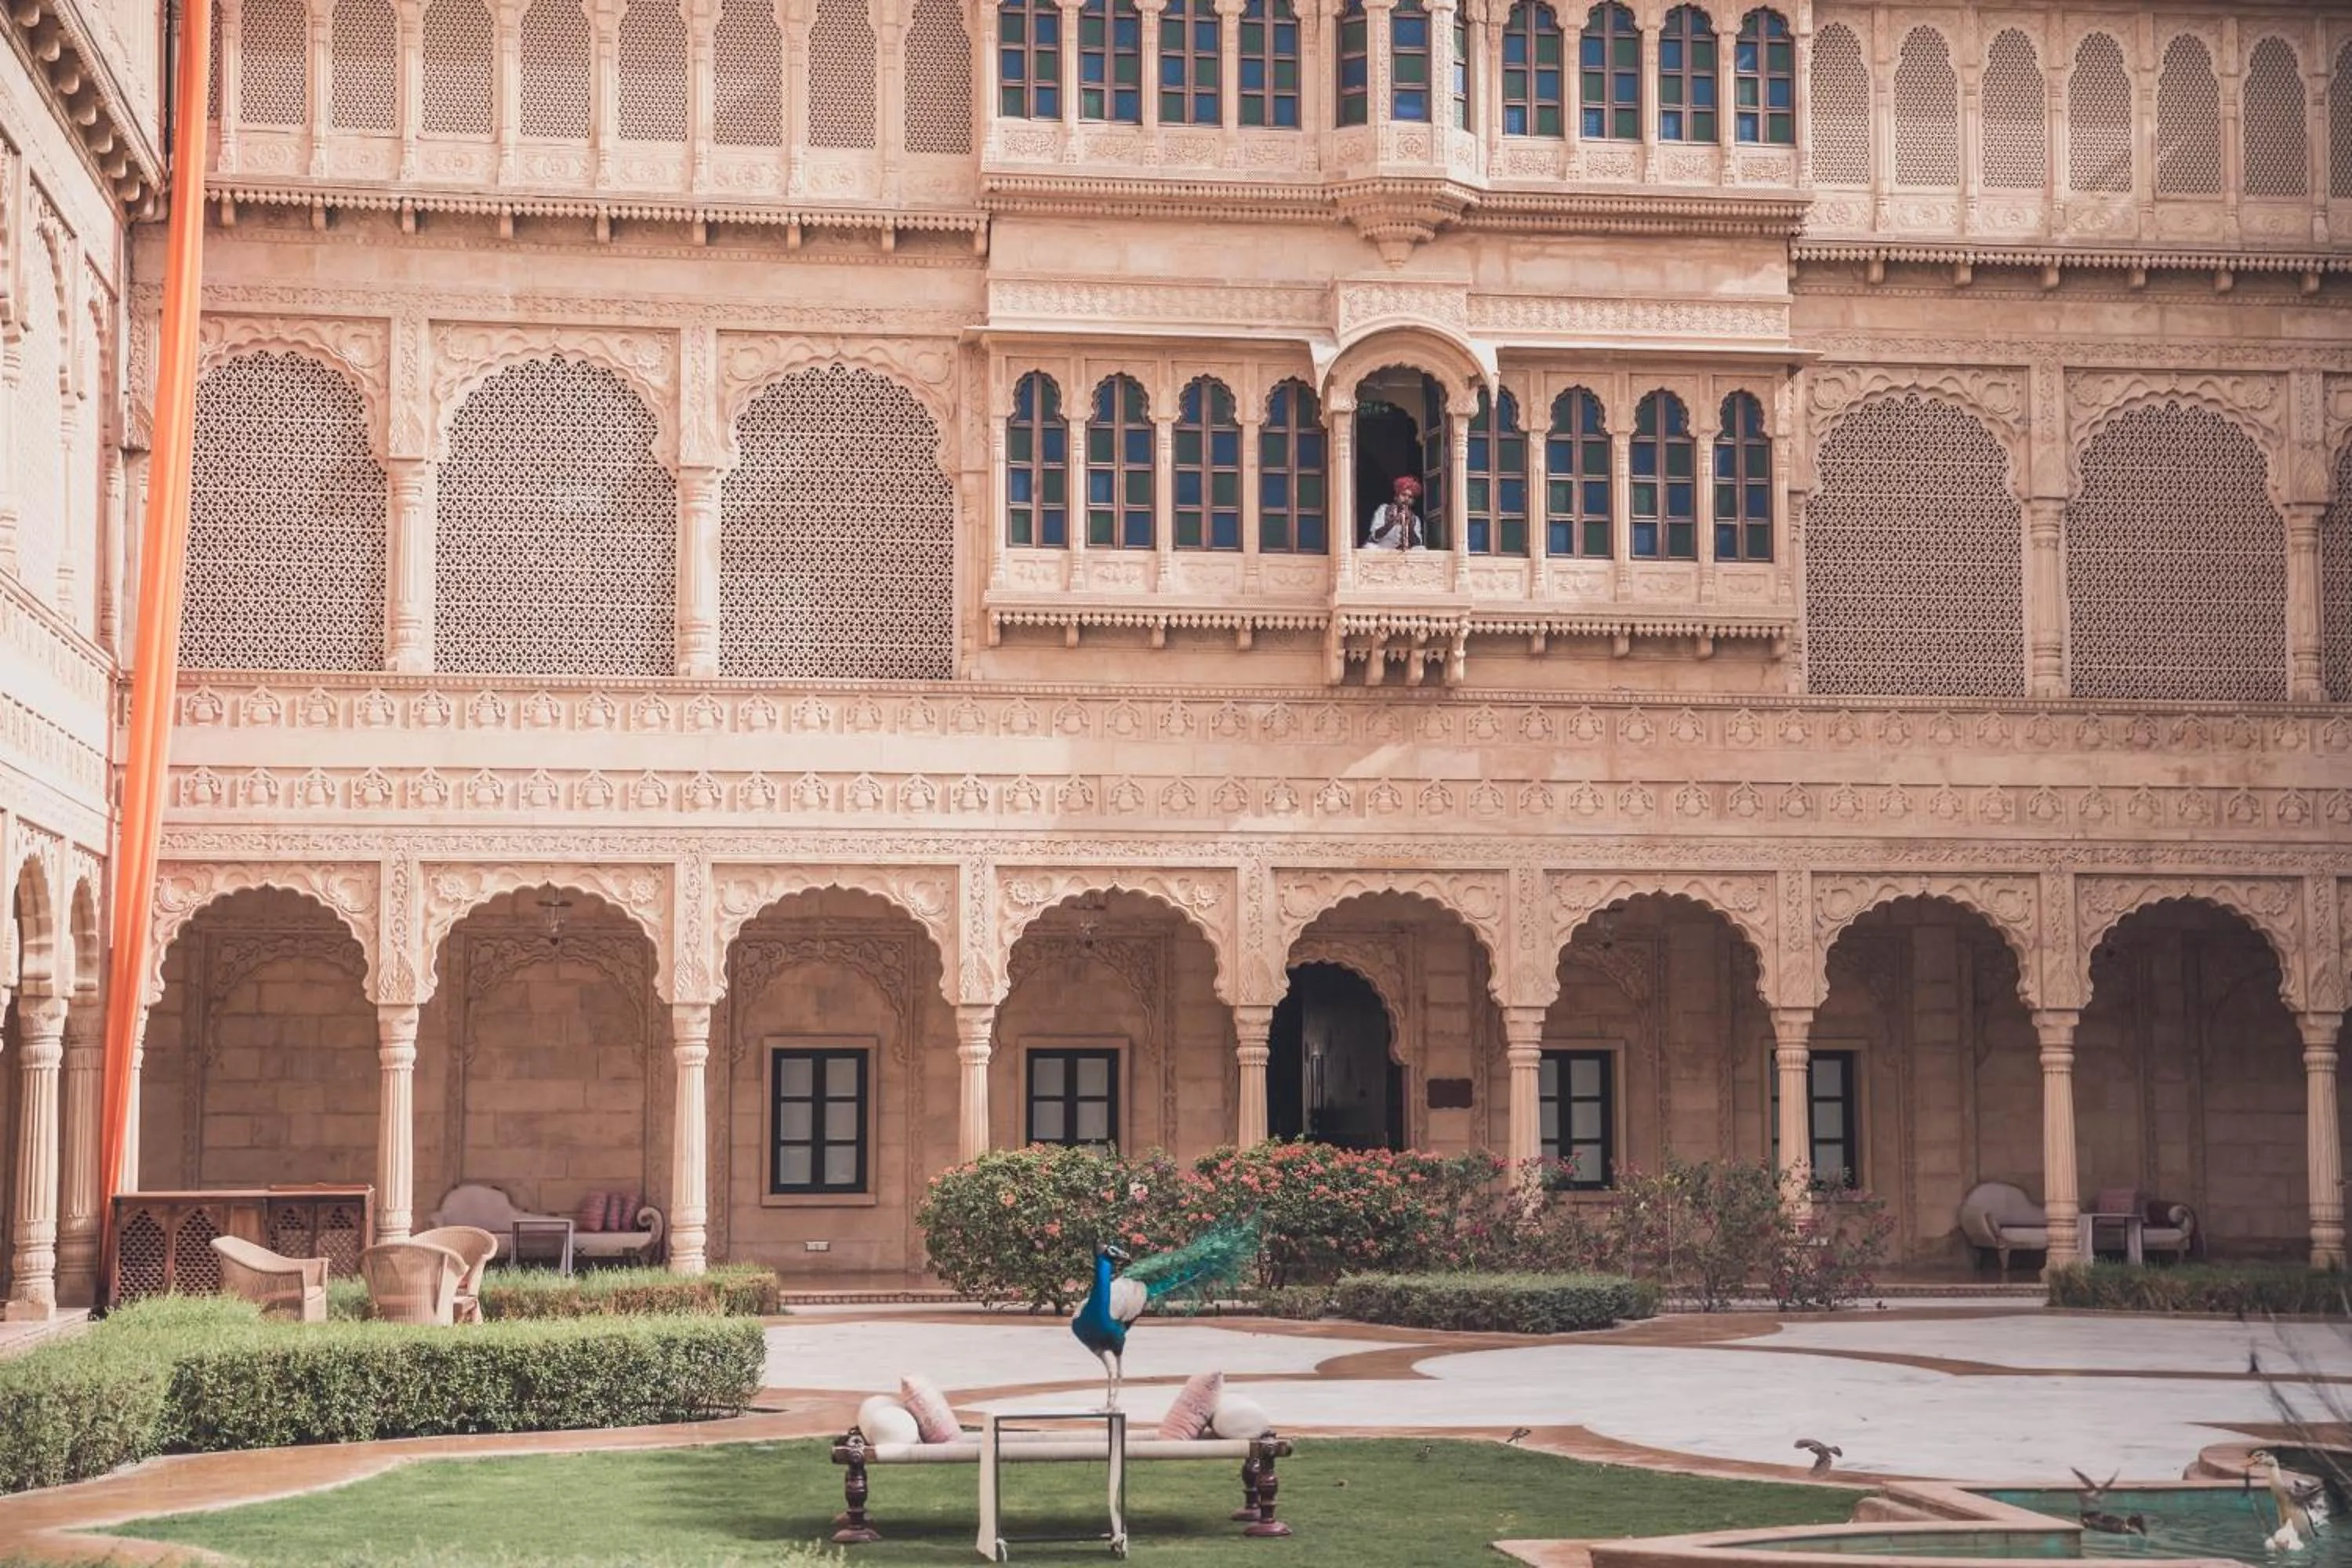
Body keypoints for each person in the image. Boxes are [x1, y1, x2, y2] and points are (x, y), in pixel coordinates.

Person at [1364, 474, 1425, 550]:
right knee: (1370, 547)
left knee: (1421, 549)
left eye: (1410, 497)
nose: (1406, 499)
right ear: (1396, 496)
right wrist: (1393, 522)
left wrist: (1410, 526)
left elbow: (1417, 543)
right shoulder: (1383, 510)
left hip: (1403, 553)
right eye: (1403, 495)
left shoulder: (1415, 519)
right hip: (1382, 550)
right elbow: (1375, 537)